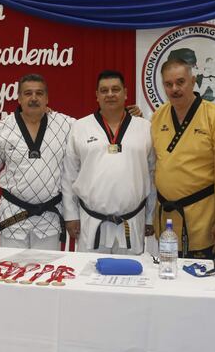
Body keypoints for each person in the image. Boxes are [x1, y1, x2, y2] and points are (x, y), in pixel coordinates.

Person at [151, 59, 215, 259]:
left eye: (180, 82)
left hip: (203, 218)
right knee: (169, 281)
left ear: (193, 81)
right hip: (168, 219)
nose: (175, 89)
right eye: (168, 84)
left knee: (202, 285)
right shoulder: (158, 117)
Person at [62, 70, 155, 254]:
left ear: (126, 93)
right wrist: (70, 215)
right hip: (91, 222)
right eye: (104, 90)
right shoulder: (80, 127)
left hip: (132, 221)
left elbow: (152, 174)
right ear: (96, 96)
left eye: (115, 89)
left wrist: (150, 217)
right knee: (88, 279)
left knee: (131, 279)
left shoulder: (145, 128)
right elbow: (69, 174)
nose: (110, 94)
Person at [0, 74, 75, 250]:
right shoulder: (2, 128)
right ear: (19, 98)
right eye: (28, 93)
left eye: (39, 93)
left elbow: (95, 130)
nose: (34, 98)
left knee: (47, 272)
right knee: (10, 271)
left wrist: (128, 118)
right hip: (13, 215)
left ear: (47, 98)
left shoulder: (66, 125)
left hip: (49, 218)